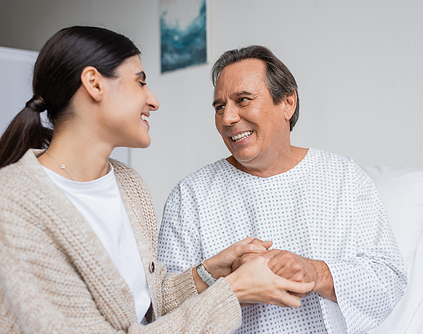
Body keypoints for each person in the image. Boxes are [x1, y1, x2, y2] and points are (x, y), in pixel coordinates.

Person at [0, 28, 314, 333]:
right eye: (140, 82)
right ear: (94, 83)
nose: (153, 100)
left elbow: (150, 305)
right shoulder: (13, 202)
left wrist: (212, 271)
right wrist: (232, 291)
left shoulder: (128, 185)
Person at [158, 45, 408, 333]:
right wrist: (224, 282)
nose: (227, 118)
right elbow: (163, 309)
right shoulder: (190, 195)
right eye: (219, 107)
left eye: (243, 100)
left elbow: (389, 278)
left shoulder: (343, 176)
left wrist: (315, 272)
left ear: (287, 102)